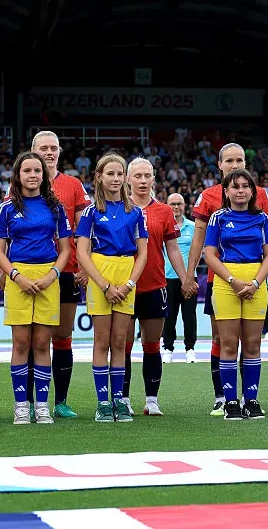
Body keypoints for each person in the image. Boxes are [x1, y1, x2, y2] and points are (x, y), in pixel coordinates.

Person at [186, 142, 268, 417]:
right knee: (222, 340)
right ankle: (223, 397)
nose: (235, 165)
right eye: (229, 160)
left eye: (240, 160)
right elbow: (200, 242)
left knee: (252, 343)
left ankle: (250, 398)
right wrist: (189, 273)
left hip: (255, 279)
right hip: (221, 278)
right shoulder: (209, 200)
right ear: (220, 165)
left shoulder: (261, 204)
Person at [0, 151, 71, 425]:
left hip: (49, 277)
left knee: (41, 343)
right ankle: (21, 406)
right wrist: (15, 275)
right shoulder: (7, 207)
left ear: (44, 174)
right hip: (19, 277)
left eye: (37, 170)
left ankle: (42, 406)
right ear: (18, 175)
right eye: (27, 171)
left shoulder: (56, 206)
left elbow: (66, 249)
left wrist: (52, 275)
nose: (33, 175)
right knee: (21, 342)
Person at [75, 153, 149, 423]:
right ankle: (103, 403)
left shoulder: (136, 213)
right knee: (102, 341)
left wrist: (129, 283)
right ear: (99, 177)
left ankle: (119, 400)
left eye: (120, 174)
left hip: (126, 274)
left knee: (120, 342)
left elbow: (143, 253)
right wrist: (104, 284)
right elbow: (82, 252)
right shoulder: (91, 212)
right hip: (100, 275)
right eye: (110, 174)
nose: (115, 179)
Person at [28, 131, 93, 419]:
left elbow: (84, 229)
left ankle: (61, 401)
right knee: (33, 340)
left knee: (63, 337)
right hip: (32, 272)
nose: (50, 152)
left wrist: (83, 266)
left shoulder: (73, 185)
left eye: (54, 147)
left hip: (66, 271)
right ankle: (29, 402)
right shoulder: (20, 185)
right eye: (44, 148)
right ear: (33, 151)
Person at [203, 169, 268, 421]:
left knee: (253, 345)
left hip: (256, 284)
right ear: (226, 191)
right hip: (226, 284)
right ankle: (231, 402)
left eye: (246, 186)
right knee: (228, 344)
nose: (241, 190)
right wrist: (233, 281)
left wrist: (256, 282)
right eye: (235, 186)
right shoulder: (217, 218)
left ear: (253, 191)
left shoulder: (263, 219)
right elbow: (210, 255)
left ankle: (251, 400)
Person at [121, 158, 189, 416]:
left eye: (146, 176)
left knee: (152, 345)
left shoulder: (163, 212)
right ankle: (123, 398)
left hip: (155, 287)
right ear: (128, 179)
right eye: (137, 176)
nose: (142, 180)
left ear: (153, 179)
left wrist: (185, 278)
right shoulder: (118, 209)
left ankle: (151, 400)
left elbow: (172, 249)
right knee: (122, 345)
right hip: (123, 288)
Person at [162, 192, 197, 363]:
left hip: (190, 278)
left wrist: (191, 274)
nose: (176, 207)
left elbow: (197, 253)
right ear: (167, 206)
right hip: (167, 277)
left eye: (179, 204)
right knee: (169, 315)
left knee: (189, 315)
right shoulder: (163, 226)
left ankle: (190, 349)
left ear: (185, 206)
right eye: (173, 204)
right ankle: (168, 348)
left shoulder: (193, 227)